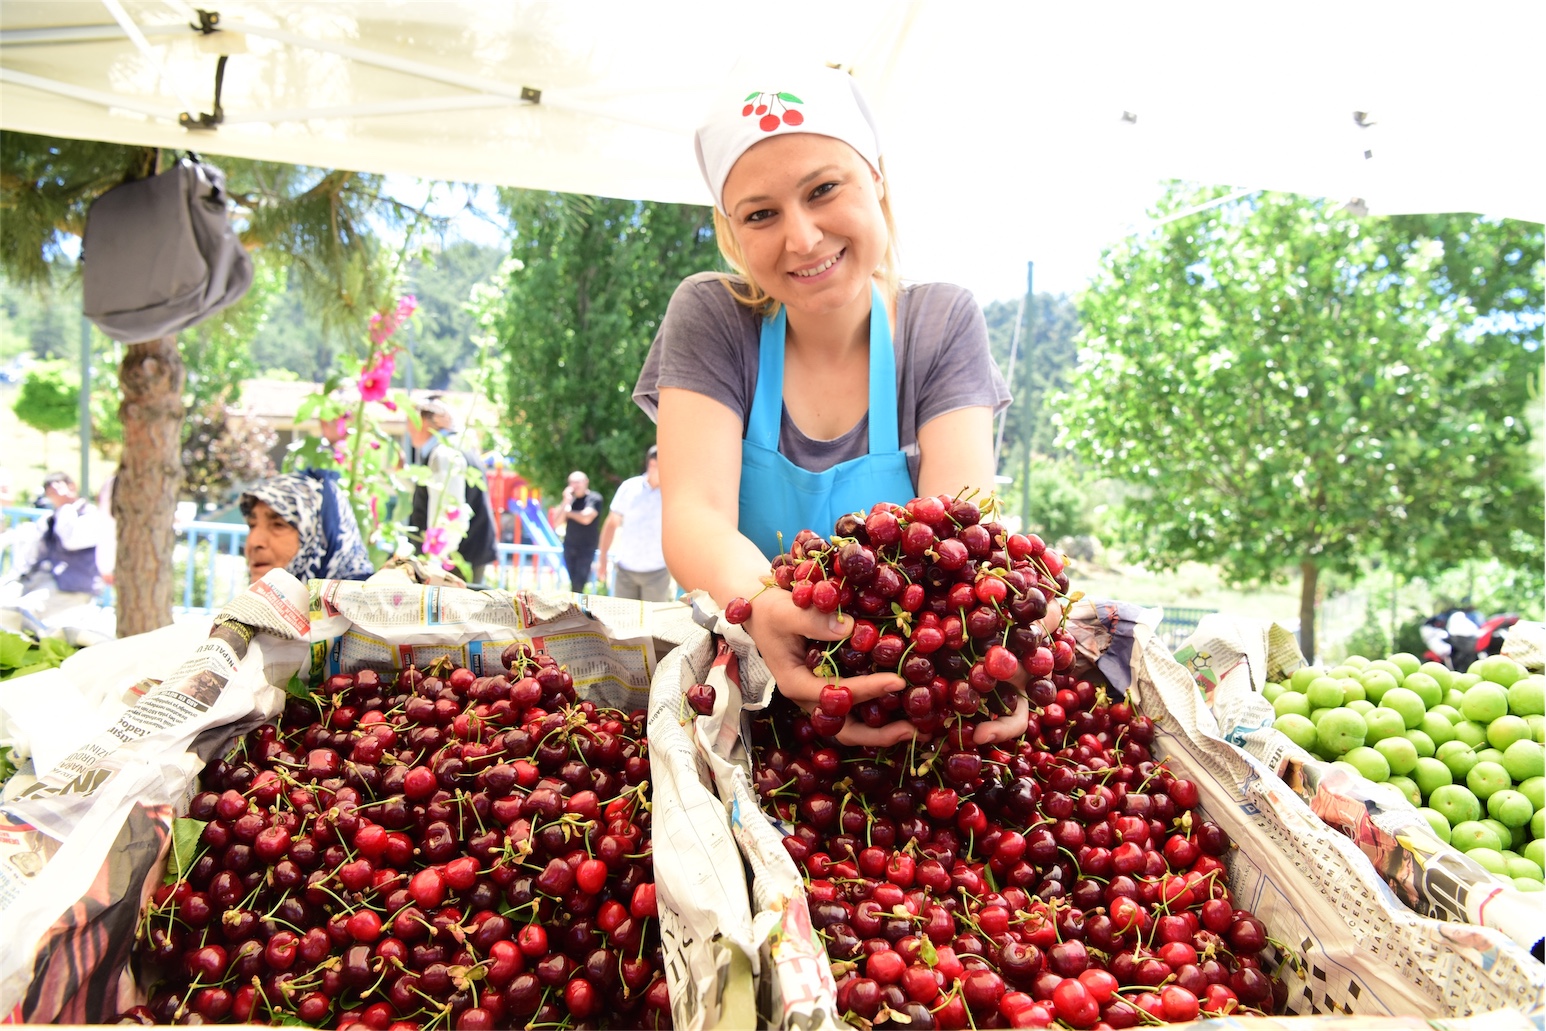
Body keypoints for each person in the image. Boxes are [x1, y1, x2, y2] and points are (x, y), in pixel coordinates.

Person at [633, 67, 1034, 746]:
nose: (804, 238)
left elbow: (959, 539)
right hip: (741, 690)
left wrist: (975, 661)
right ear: (732, 234)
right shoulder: (713, 316)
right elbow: (694, 516)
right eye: (761, 213)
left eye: (824, 190)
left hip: (898, 691)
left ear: (876, 179)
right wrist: (767, 606)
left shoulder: (940, 324)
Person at [407, 395, 497, 585]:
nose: (408, 427)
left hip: (453, 560)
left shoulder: (445, 453)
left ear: (429, 421)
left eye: (411, 419)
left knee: (450, 613)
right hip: (466, 553)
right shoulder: (458, 447)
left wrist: (434, 564)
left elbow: (448, 512)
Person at [240, 471, 376, 584]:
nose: (254, 542)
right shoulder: (258, 611)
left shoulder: (369, 610)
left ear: (320, 537)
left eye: (278, 525)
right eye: (252, 525)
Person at [5, 472, 108, 617]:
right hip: (40, 580)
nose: (55, 493)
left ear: (72, 486)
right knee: (5, 605)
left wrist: (66, 508)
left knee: (23, 612)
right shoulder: (50, 518)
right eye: (50, 491)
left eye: (59, 487)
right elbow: (33, 552)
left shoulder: (91, 515)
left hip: (72, 587)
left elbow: (71, 541)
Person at [597, 446, 670, 602]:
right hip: (626, 571)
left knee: (654, 623)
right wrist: (602, 557)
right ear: (652, 464)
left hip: (657, 572)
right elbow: (611, 523)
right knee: (623, 622)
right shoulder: (629, 487)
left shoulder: (671, 492)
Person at [555, 470, 604, 593]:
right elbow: (556, 522)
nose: (575, 486)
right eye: (572, 483)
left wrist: (568, 513)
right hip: (570, 546)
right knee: (573, 583)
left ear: (586, 482)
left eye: (578, 482)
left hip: (586, 548)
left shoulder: (594, 498)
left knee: (579, 583)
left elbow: (586, 518)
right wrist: (565, 502)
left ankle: (577, 609)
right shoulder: (570, 502)